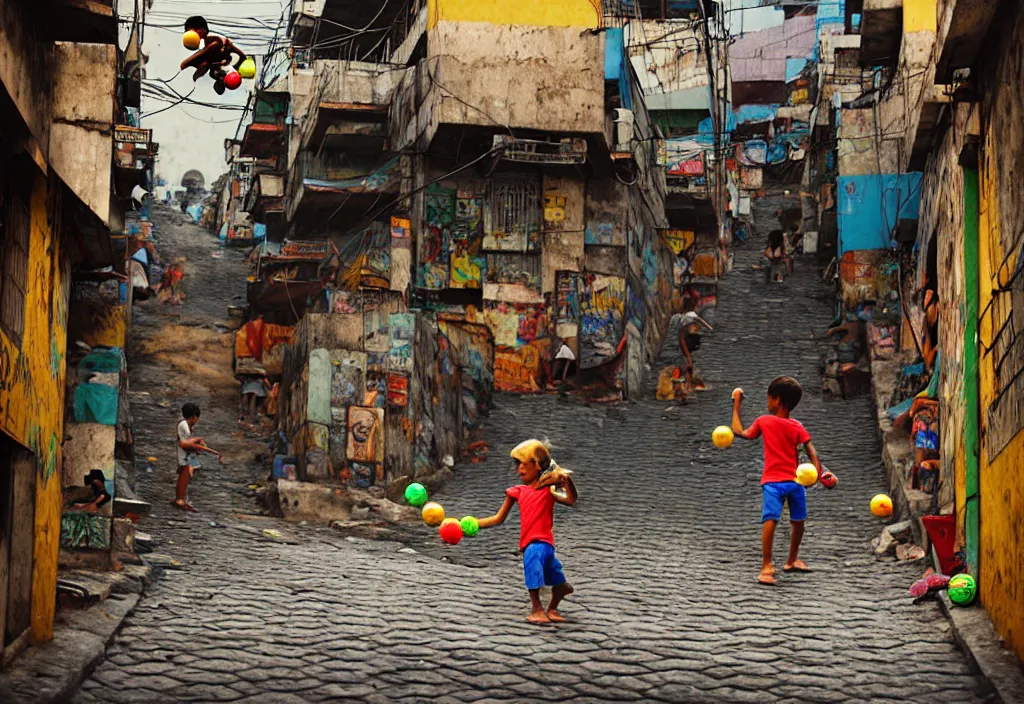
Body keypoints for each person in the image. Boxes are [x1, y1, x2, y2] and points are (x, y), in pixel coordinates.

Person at [730, 377, 826, 586]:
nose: (767, 402)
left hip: (776, 482)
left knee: (772, 521)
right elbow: (813, 454)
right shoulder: (797, 426)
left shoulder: (764, 421)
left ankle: (771, 565)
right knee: (797, 522)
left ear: (777, 399)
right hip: (795, 481)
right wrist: (818, 475)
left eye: (769, 397)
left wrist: (736, 403)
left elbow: (739, 432)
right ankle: (785, 560)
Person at [478, 439, 579, 624]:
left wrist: (566, 480)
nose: (519, 470)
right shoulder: (517, 491)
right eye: (517, 465)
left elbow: (571, 500)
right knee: (554, 576)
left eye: (522, 464)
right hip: (537, 545)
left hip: (541, 544)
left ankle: (538, 609)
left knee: (535, 568)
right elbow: (497, 518)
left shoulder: (549, 490)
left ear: (537, 465)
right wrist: (472, 524)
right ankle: (554, 603)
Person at [180, 16, 247, 95]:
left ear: (201, 30)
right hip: (221, 65)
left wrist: (186, 64)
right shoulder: (208, 42)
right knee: (208, 68)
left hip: (225, 64)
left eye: (192, 32)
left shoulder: (213, 39)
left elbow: (212, 47)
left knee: (205, 65)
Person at [175, 403, 222, 512]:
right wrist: (205, 449)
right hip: (184, 455)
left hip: (185, 454)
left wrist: (198, 442)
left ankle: (180, 498)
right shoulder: (185, 427)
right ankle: (180, 500)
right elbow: (184, 443)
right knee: (184, 477)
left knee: (184, 476)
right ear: (193, 417)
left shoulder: (184, 424)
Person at [676, 310, 713, 388]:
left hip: (687, 341)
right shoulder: (686, 326)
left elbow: (701, 321)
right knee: (689, 362)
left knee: (689, 361)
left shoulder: (687, 322)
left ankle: (687, 380)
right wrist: (710, 329)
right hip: (685, 341)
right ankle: (686, 381)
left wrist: (710, 329)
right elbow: (701, 321)